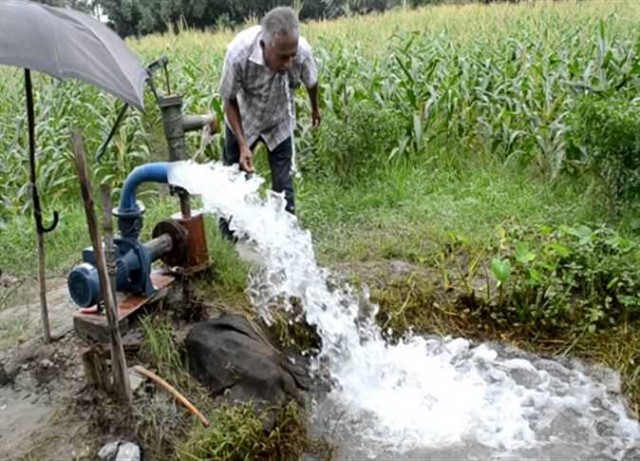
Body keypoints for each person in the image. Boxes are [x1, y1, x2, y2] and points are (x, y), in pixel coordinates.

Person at [217, 6, 320, 239]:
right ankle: (229, 237)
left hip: (279, 118)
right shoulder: (238, 53)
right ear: (265, 45)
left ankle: (286, 235)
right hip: (244, 119)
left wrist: (315, 108)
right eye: (282, 57)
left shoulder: (300, 51)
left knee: (283, 183)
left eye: (292, 56)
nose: (288, 63)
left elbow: (312, 82)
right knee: (234, 178)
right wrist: (243, 144)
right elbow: (229, 99)